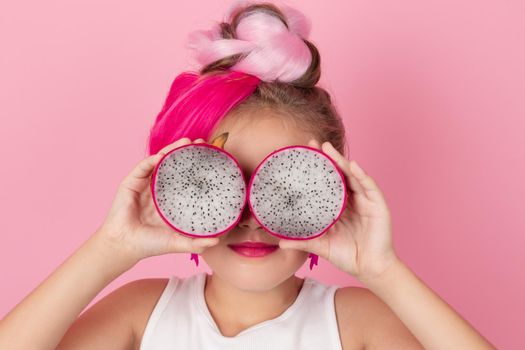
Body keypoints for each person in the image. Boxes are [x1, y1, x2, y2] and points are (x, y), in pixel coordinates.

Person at [0, 1, 496, 349]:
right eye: (213, 182)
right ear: (170, 187)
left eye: (288, 187)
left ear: (336, 192)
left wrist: (384, 271)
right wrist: (110, 248)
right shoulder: (141, 314)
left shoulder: (354, 323)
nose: (251, 215)